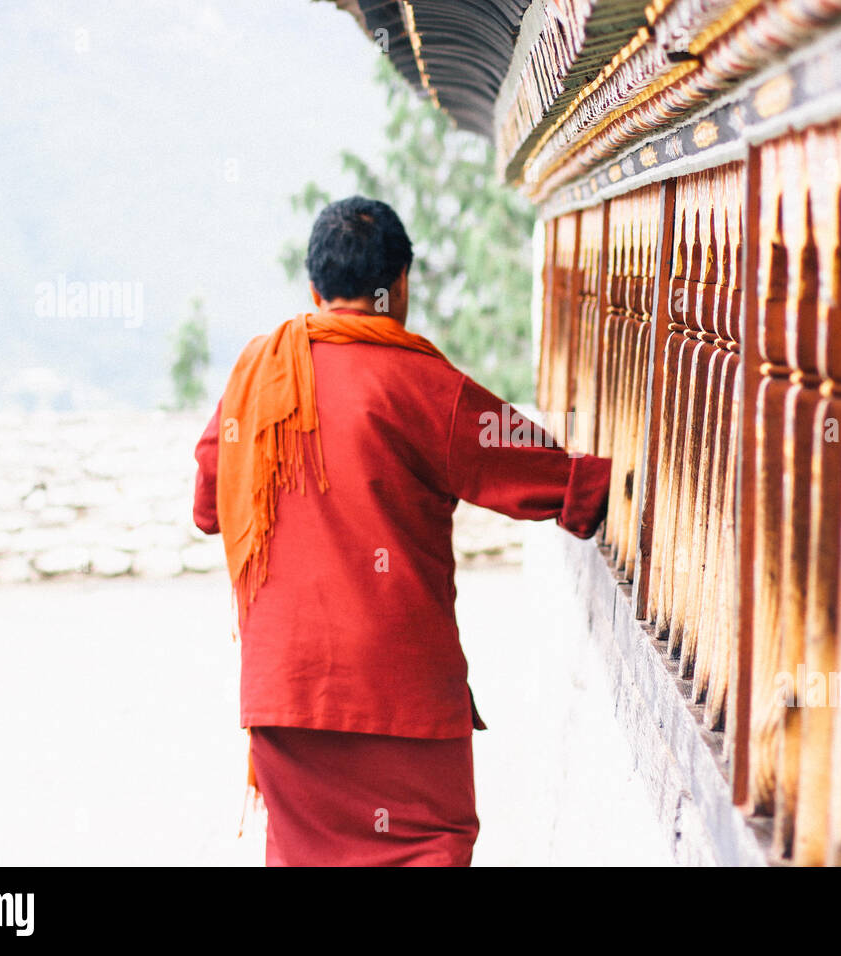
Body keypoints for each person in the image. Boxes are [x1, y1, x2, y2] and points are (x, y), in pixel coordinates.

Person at [192, 195, 611, 866]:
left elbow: (209, 507)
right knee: (426, 848)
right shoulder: (418, 381)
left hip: (284, 693)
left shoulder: (254, 377)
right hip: (399, 699)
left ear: (314, 289)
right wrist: (609, 482)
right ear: (400, 287)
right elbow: (539, 473)